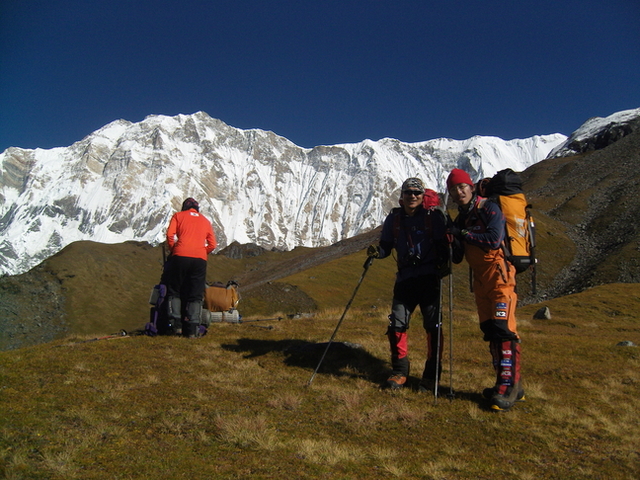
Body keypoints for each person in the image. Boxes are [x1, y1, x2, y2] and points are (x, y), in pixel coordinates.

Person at [446, 168, 524, 411]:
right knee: (490, 330)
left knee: (504, 329)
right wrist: (450, 239)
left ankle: (507, 387)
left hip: (499, 276)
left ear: (471, 187)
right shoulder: (462, 218)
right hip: (480, 281)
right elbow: (458, 257)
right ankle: (510, 382)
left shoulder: (489, 208)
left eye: (462, 187)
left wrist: (464, 233)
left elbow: (492, 239)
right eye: (453, 190)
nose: (459, 193)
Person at [367, 178, 449, 392]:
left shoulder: (433, 218)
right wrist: (378, 252)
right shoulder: (394, 219)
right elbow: (386, 245)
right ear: (401, 196)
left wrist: (446, 259)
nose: (412, 196)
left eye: (417, 193)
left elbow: (444, 244)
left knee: (434, 328)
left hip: (430, 278)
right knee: (396, 325)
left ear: (423, 197)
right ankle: (400, 371)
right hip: (405, 279)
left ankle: (431, 375)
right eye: (408, 192)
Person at [164, 197, 217, 338]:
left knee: (175, 290)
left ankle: (176, 325)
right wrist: (201, 252)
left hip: (180, 256)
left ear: (184, 208)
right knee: (196, 293)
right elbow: (212, 244)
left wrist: (174, 250)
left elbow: (170, 235)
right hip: (200, 259)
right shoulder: (205, 220)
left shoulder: (178, 216)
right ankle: (193, 328)